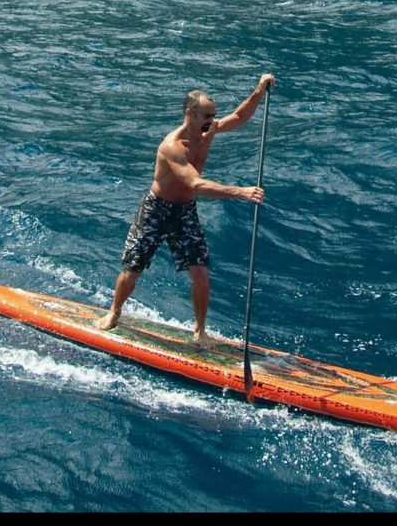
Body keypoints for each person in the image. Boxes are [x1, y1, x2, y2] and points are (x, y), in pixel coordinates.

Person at [98, 73, 276, 349]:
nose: (211, 121)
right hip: (156, 210)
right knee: (133, 269)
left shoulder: (209, 130)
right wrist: (239, 191)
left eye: (213, 115)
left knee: (200, 272)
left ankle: (200, 331)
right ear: (189, 112)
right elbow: (196, 182)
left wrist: (259, 91)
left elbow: (240, 118)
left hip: (185, 211)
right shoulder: (173, 146)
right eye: (206, 115)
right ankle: (114, 311)